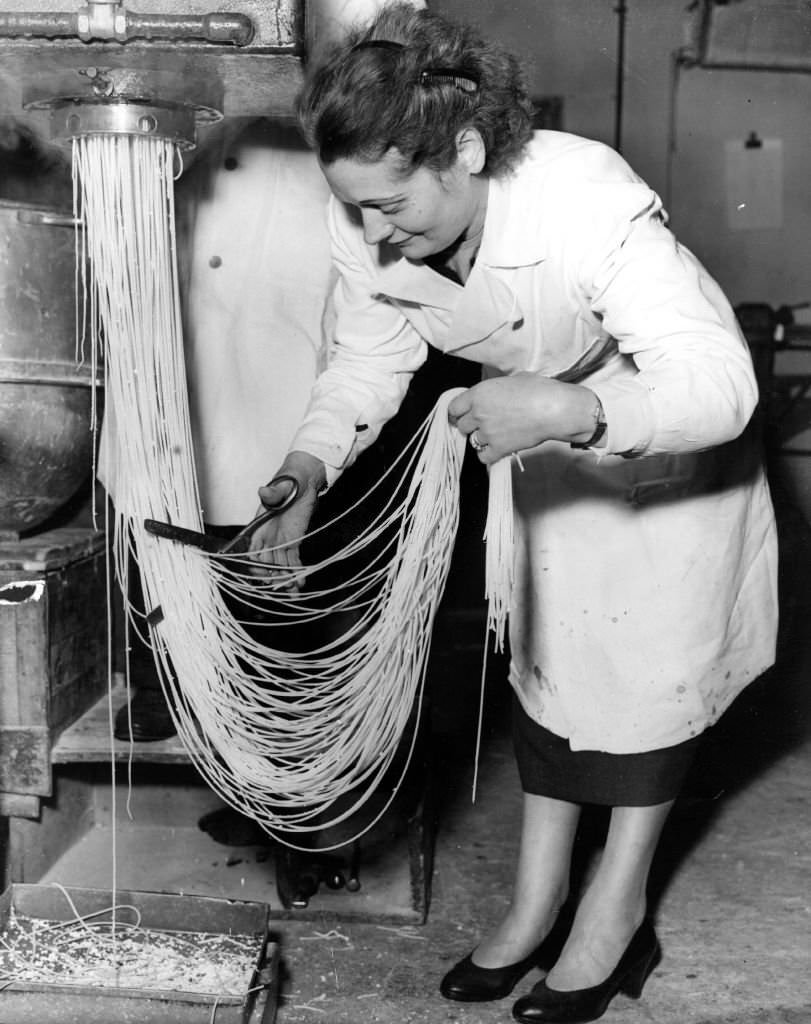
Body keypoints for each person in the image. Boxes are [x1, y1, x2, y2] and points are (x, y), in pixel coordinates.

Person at [248, 4, 779, 1022]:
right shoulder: (372, 210)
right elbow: (369, 351)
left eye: (391, 202)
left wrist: (578, 408)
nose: (370, 231)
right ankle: (536, 902)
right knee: (547, 665)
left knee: (644, 688)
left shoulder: (585, 198)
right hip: (541, 433)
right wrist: (308, 463)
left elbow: (720, 382)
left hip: (656, 434)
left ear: (465, 148)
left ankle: (614, 913)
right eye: (354, 207)